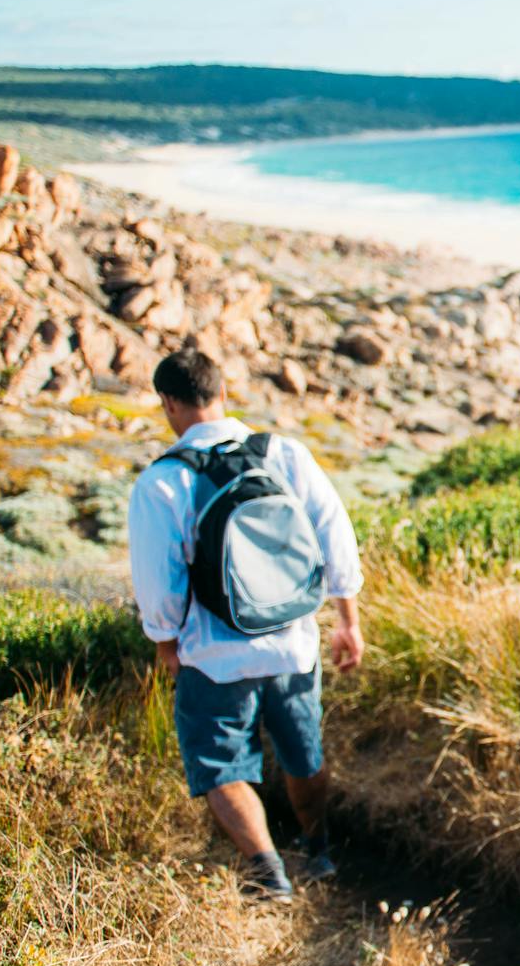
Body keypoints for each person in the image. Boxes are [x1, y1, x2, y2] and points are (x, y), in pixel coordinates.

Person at [127, 347, 365, 902]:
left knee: (220, 765)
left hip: (214, 656)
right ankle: (318, 849)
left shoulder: (162, 483)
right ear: (223, 391)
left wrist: (167, 644)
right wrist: (346, 621)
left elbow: (158, 587)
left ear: (167, 403)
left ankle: (268, 873)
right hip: (293, 642)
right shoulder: (284, 454)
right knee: (304, 754)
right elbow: (336, 536)